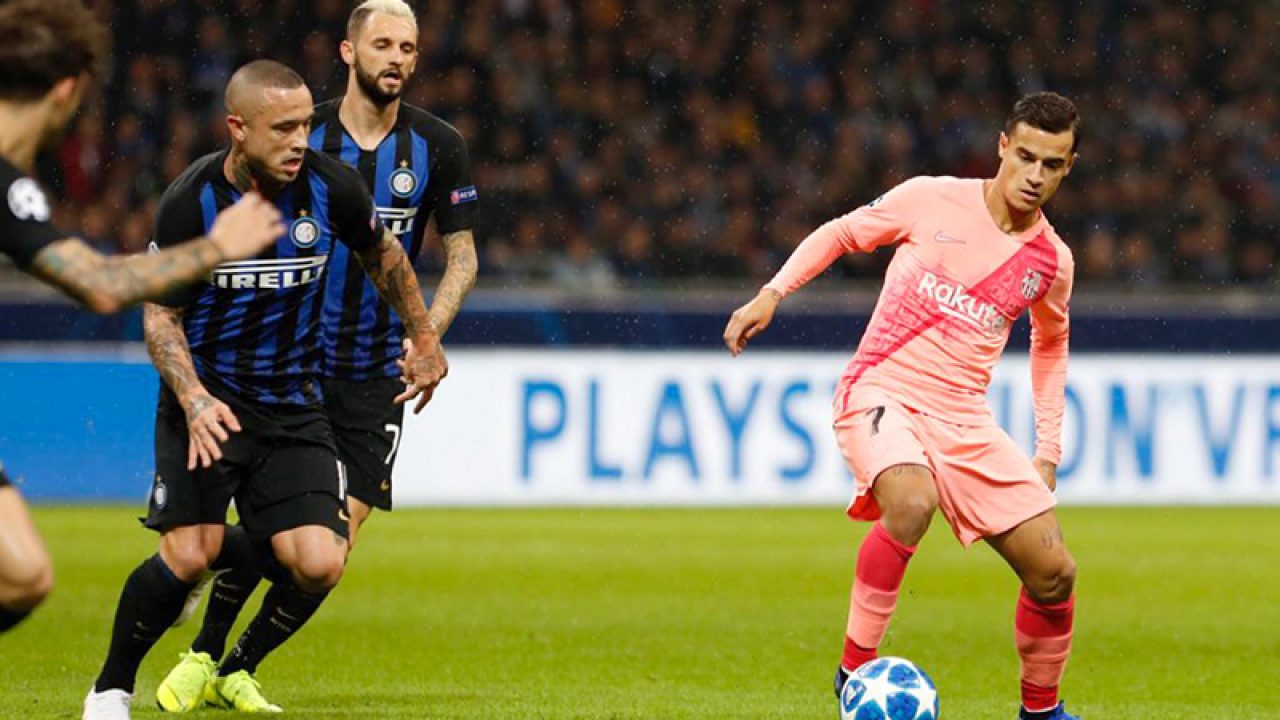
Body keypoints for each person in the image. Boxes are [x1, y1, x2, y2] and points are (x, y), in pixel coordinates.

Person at [82, 59, 448, 720]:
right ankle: (110, 689)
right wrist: (193, 398)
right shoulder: (192, 201)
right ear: (238, 128)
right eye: (282, 128)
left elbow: (385, 257)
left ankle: (208, 559)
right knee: (185, 555)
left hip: (291, 405)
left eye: (305, 124)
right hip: (208, 406)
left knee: (320, 563)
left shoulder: (330, 187)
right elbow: (160, 317)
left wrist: (423, 336)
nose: (299, 140)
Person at [153, 1, 479, 711]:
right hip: (288, 367)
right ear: (348, 52)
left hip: (374, 371)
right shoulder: (301, 133)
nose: (397, 58)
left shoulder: (439, 145)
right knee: (286, 532)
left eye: (409, 48)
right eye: (383, 44)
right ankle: (203, 645)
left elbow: (462, 255)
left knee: (333, 545)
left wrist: (427, 334)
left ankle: (233, 663)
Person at [723, 92, 1082, 720]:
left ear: (1067, 167)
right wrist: (772, 293)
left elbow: (1050, 342)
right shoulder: (930, 198)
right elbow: (841, 234)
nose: (1034, 175)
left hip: (965, 419)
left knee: (1055, 571)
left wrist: (1047, 449)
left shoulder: (1051, 263)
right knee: (913, 501)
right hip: (882, 390)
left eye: (1051, 164)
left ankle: (1041, 713)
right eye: (1025, 156)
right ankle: (853, 671)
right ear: (1002, 146)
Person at [0, 0, 283, 637]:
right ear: (68, 90)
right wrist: (216, 247)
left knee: (23, 575)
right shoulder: (7, 183)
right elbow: (101, 285)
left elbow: (96, 281)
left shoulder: (11, 186)